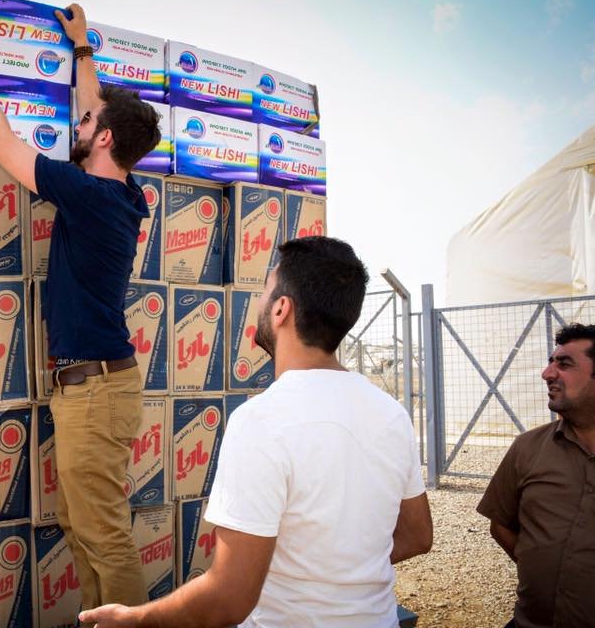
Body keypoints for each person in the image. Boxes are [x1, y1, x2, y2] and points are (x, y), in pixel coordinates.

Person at [80, 237, 433, 628]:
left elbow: (227, 599)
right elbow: (417, 535)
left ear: (281, 309)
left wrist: (135, 618)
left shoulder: (262, 421)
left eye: (265, 291)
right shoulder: (392, 414)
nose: (259, 302)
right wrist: (340, 570)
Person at [0, 3, 161, 613]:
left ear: (105, 138)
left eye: (86, 121)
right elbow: (97, 108)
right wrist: (82, 48)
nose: (77, 121)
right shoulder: (123, 192)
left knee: (104, 533)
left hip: (95, 390)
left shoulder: (88, 194)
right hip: (92, 386)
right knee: (79, 522)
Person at [477, 323, 595, 628]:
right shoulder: (527, 448)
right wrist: (544, 566)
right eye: (550, 362)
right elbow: (501, 526)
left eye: (564, 364)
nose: (547, 373)